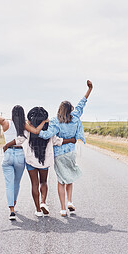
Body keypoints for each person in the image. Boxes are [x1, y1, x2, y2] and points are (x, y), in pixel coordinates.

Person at [0, 90, 47, 220]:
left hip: (8, 154)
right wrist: (44, 120)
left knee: (9, 183)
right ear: (22, 114)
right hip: (20, 155)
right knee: (16, 183)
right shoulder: (24, 125)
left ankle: (12, 209)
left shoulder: (5, 123)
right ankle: (14, 203)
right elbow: (37, 131)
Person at [3, 107, 76, 217]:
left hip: (30, 161)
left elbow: (19, 140)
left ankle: (38, 210)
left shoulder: (29, 130)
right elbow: (58, 141)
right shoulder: (48, 131)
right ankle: (43, 202)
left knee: (34, 184)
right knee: (43, 182)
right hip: (44, 162)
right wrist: (71, 140)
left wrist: (7, 144)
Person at [38, 80, 93, 217]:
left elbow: (46, 135)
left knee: (60, 180)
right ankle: (70, 201)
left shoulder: (55, 121)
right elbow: (82, 103)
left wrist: (35, 130)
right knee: (70, 178)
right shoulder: (75, 117)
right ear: (71, 110)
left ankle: (63, 208)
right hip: (70, 153)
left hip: (58, 154)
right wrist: (89, 89)